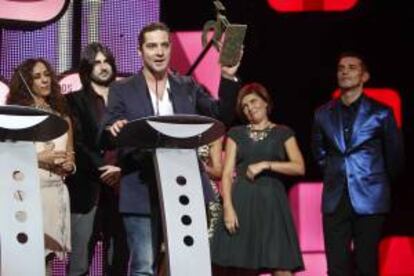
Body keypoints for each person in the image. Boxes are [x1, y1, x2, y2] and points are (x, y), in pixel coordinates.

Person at [102, 22, 241, 276]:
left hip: (185, 185)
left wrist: (229, 76)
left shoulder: (187, 86)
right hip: (141, 188)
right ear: (139, 51)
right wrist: (114, 128)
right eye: (152, 46)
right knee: (144, 266)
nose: (159, 52)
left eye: (164, 45)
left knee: (189, 265)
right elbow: (107, 131)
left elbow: (220, 115)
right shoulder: (121, 89)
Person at [311, 52, 404, 276]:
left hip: (371, 197)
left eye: (352, 67)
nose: (344, 71)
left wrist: (375, 180)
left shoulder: (381, 113)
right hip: (335, 198)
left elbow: (395, 156)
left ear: (365, 76)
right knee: (336, 267)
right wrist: (337, 173)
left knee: (366, 264)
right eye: (341, 67)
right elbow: (319, 153)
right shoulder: (323, 113)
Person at [211, 83, 305, 275]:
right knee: (242, 266)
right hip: (242, 204)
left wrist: (265, 164)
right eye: (244, 106)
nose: (249, 108)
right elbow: (227, 173)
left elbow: (299, 167)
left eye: (253, 101)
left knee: (281, 267)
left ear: (265, 102)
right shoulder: (236, 134)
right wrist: (228, 207)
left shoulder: (283, 132)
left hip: (273, 206)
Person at [7, 58, 75, 273]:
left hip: (55, 195)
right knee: (23, 257)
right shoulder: (16, 118)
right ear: (26, 82)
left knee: (47, 260)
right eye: (37, 77)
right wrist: (38, 158)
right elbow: (7, 158)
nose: (45, 80)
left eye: (46, 74)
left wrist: (69, 165)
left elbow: (72, 157)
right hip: (24, 195)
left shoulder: (63, 117)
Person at [66, 42, 128, 276]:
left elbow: (134, 140)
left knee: (118, 259)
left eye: (106, 61)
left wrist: (120, 170)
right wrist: (104, 168)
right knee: (80, 263)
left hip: (122, 188)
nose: (103, 67)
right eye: (97, 62)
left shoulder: (125, 99)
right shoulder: (74, 100)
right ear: (87, 68)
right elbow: (78, 143)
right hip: (87, 188)